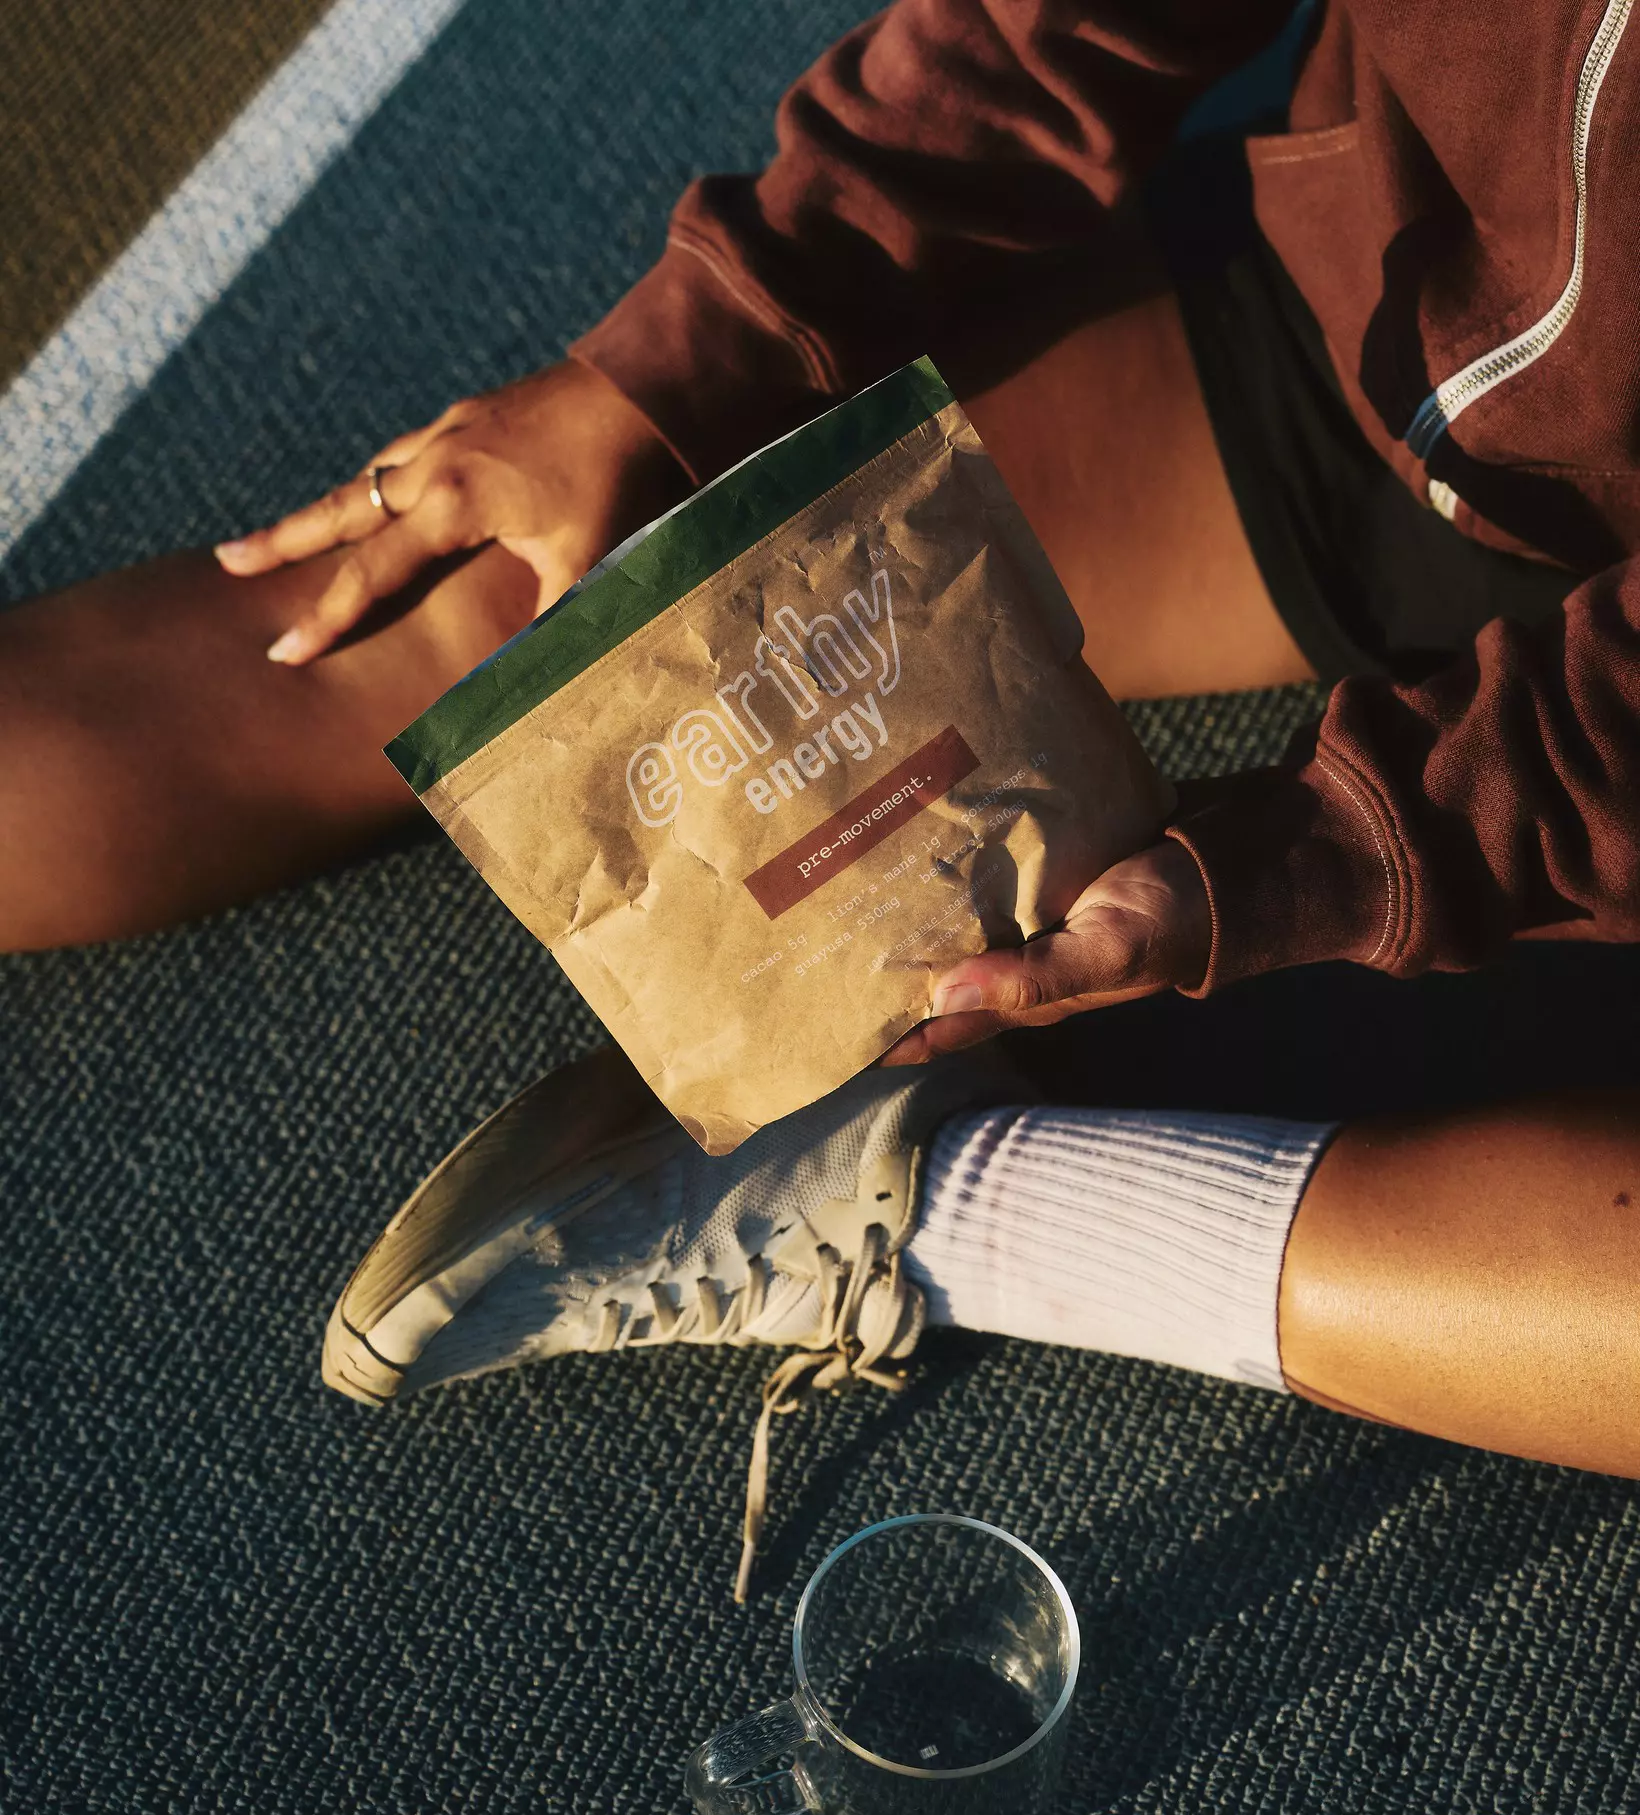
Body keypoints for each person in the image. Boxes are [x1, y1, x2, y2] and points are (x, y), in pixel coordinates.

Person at [7, 1, 1640, 1582]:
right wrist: (689, 353)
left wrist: (1346, 847)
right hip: (1379, 323)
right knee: (541, 600)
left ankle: (968, 1194)